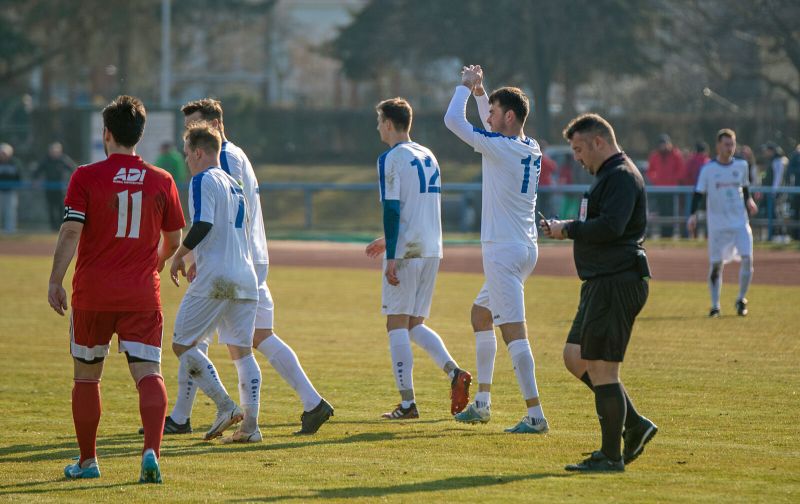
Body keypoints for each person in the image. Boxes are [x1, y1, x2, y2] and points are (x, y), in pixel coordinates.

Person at [165, 99, 332, 439]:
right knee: (246, 342)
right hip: (246, 261)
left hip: (233, 259)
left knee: (194, 340)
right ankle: (224, 420)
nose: (191, 137)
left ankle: (210, 410)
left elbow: (211, 220)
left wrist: (187, 255)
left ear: (213, 126)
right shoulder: (237, 154)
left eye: (196, 127)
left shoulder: (220, 162)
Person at [47, 95, 185, 482]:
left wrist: (55, 279)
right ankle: (151, 453)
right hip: (141, 295)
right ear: (139, 135)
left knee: (87, 377)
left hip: (93, 293)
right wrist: (152, 266)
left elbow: (72, 230)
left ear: (106, 133)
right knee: (148, 374)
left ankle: (89, 462)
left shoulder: (86, 176)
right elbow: (174, 240)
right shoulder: (162, 180)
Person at [542, 113, 656, 472]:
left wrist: (568, 229)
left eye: (579, 149)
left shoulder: (621, 176)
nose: (576, 157)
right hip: (600, 282)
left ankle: (611, 456)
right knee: (575, 357)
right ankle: (635, 424)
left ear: (599, 143)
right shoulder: (608, 175)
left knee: (604, 371)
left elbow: (611, 227)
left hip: (616, 281)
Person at [444, 64, 549, 434]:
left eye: (492, 111)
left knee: (514, 333)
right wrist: (481, 93)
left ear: (508, 116)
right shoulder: (529, 145)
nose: (487, 116)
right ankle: (483, 403)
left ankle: (535, 414)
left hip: (503, 251)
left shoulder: (502, 147)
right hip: (523, 248)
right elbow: (494, 128)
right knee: (480, 315)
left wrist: (464, 88)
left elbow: (453, 121)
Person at [365, 97, 472, 420]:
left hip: (408, 251)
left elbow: (393, 208)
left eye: (379, 121)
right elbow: (417, 206)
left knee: (395, 322)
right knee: (414, 324)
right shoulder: (428, 155)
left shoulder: (390, 158)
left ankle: (408, 404)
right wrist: (391, 239)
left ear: (387, 123)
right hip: (432, 247)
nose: (378, 128)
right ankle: (454, 372)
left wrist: (394, 253)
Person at [169, 122, 260, 442]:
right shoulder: (235, 183)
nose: (187, 160)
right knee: (243, 353)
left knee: (182, 343)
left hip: (217, 277)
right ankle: (250, 428)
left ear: (197, 152)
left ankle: (225, 405)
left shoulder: (202, 179)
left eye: (187, 154)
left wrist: (180, 254)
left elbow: (203, 224)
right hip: (246, 277)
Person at [688, 129, 757, 317]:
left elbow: (745, 187)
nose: (730, 148)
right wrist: (692, 215)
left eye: (732, 144)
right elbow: (698, 194)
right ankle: (715, 305)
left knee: (747, 258)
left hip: (740, 222)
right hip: (717, 225)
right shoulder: (708, 170)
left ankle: (741, 299)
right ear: (718, 145)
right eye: (726, 144)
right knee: (717, 265)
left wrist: (749, 201)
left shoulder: (742, 166)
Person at [646, 134, 686, 238]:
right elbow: (650, 171)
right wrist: (656, 180)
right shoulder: (655, 155)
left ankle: (670, 234)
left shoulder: (676, 154)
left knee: (671, 213)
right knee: (661, 212)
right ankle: (662, 234)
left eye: (665, 143)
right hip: (659, 190)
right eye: (661, 144)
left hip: (672, 190)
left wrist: (673, 180)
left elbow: (681, 170)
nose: (663, 146)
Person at [34, 142, 77, 230]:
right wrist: (36, 180)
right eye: (52, 151)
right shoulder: (46, 160)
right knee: (51, 208)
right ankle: (53, 228)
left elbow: (74, 169)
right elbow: (37, 172)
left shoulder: (64, 159)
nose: (54, 152)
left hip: (61, 190)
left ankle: (62, 227)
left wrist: (72, 181)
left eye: (56, 151)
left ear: (60, 151)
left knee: (62, 208)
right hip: (49, 189)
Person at [762, 142, 789, 242]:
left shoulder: (778, 161)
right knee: (773, 213)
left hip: (778, 193)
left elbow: (778, 177)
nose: (765, 152)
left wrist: (775, 191)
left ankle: (781, 235)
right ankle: (774, 234)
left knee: (778, 213)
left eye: (767, 150)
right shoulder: (773, 161)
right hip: (774, 192)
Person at [0, 143, 22, 233]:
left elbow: (19, 176)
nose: (3, 155)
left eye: (5, 153)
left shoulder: (15, 162)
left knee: (10, 211)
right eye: (2, 153)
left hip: (11, 191)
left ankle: (10, 230)